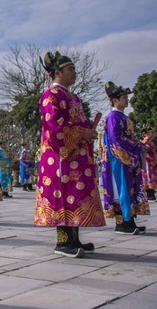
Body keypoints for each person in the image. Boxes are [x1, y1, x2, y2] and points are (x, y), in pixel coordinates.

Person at [34, 51, 105, 257]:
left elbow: (78, 124)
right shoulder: (51, 95)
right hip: (60, 156)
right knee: (63, 193)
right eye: (70, 69)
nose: (75, 72)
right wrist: (82, 132)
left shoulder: (73, 96)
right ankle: (63, 242)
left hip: (76, 153)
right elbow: (55, 128)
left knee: (75, 194)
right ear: (57, 72)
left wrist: (88, 132)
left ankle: (74, 238)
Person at [101, 81, 149, 234]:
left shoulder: (122, 116)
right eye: (124, 97)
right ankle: (122, 223)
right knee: (121, 189)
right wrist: (135, 146)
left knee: (130, 189)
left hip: (127, 158)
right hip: (119, 159)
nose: (127, 100)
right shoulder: (113, 117)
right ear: (115, 100)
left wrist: (137, 146)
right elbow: (116, 139)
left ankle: (130, 220)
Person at [142, 128, 157, 202]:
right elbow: (144, 152)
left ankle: (152, 193)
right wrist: (151, 159)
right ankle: (149, 194)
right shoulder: (145, 142)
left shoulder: (151, 142)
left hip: (154, 162)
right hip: (148, 162)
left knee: (153, 178)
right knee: (148, 178)